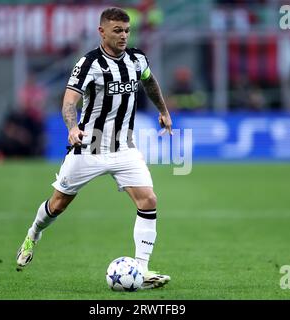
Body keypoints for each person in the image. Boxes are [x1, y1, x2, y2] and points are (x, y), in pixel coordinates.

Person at [16, 7, 173, 290]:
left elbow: (149, 82)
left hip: (124, 147)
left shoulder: (137, 59)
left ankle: (142, 269)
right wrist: (72, 128)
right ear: (102, 32)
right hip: (88, 147)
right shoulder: (88, 64)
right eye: (117, 31)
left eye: (126, 30)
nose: (124, 36)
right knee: (58, 204)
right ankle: (33, 234)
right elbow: (68, 101)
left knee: (148, 200)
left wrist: (163, 110)